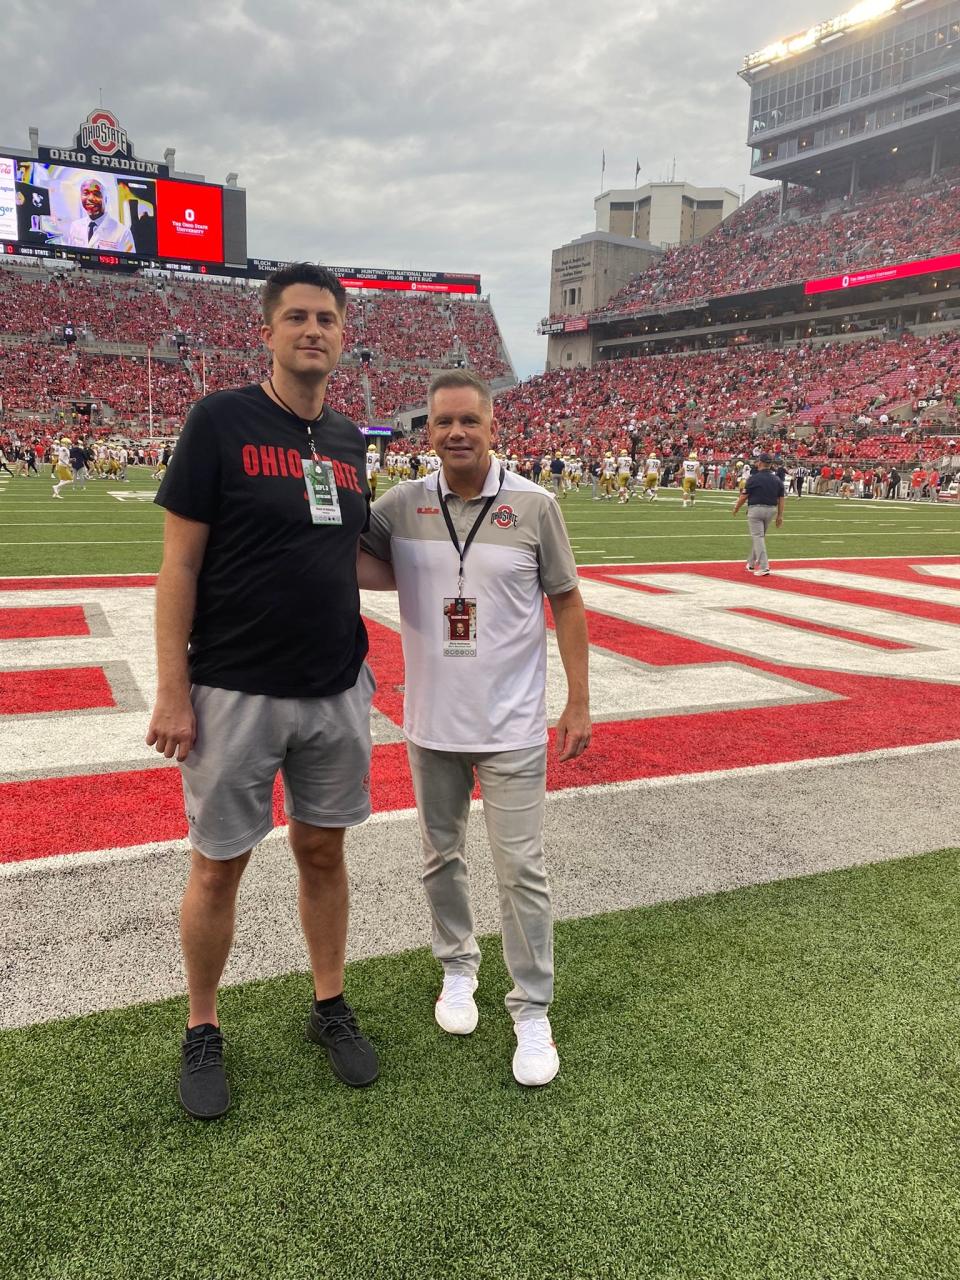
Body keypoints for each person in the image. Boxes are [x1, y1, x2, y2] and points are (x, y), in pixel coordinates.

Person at [146, 262, 389, 1120]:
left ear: (343, 332)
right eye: (296, 317)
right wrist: (172, 688)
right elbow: (179, 562)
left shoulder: (353, 439)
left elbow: (353, 554)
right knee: (219, 867)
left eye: (326, 317)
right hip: (234, 687)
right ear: (269, 330)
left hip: (333, 687)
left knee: (324, 852)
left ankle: (328, 1003)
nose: (312, 329)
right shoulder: (219, 419)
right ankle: (202, 1025)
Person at [361, 369, 591, 1087]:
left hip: (513, 725)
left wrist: (578, 701)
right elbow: (341, 553)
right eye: (442, 423)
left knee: (522, 871)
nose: (456, 433)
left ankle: (531, 1009)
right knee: (439, 857)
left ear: (494, 429)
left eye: (469, 421)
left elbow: (569, 600)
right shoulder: (400, 505)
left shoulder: (535, 504)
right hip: (430, 723)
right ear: (426, 434)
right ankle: (457, 969)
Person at [731, 451, 784, 576]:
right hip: (771, 510)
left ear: (760, 463)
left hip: (756, 510)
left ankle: (764, 566)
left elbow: (744, 496)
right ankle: (751, 563)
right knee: (759, 537)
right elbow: (781, 499)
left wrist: (736, 508)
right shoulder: (777, 479)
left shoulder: (753, 479)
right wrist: (780, 515)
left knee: (758, 537)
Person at [63, 178, 135, 254]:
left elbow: (131, 262)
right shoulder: (75, 226)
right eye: (85, 193)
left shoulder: (123, 233)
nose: (90, 198)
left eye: (96, 194)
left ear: (106, 199)